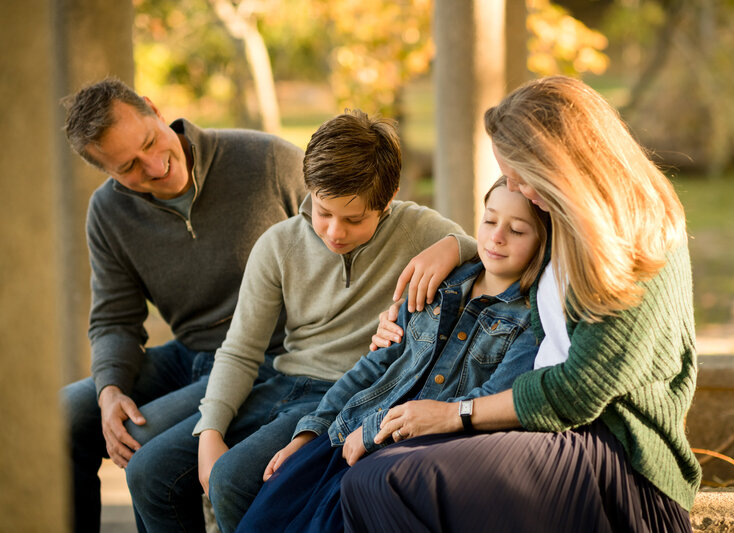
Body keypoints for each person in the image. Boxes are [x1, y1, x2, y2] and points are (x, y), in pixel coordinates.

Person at [343, 76, 702, 533]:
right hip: (547, 425)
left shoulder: (634, 237)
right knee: (373, 472)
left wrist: (455, 415)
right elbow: (510, 246)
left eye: (519, 173)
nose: (512, 184)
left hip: (613, 451)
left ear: (559, 164)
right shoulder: (567, 219)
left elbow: (579, 393)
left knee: (386, 479)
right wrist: (458, 247)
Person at [124, 109, 477, 533]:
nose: (333, 232)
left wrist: (455, 247)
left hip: (346, 393)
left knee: (233, 480)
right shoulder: (279, 244)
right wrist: (211, 429)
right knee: (148, 474)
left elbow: (495, 254)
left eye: (354, 218)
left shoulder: (418, 229)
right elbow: (239, 350)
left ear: (388, 199)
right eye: (323, 211)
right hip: (281, 383)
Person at [60, 77, 307, 533]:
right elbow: (115, 317)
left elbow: (351, 229)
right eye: (128, 167)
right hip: (191, 353)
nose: (154, 167)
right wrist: (110, 389)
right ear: (107, 173)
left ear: (153, 109)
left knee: (142, 445)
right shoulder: (109, 212)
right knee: (70, 411)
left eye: (151, 142)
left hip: (271, 357)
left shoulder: (268, 162)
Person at [235, 177, 547, 533]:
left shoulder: (532, 321)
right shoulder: (440, 280)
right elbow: (374, 365)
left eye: (518, 230)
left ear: (544, 243)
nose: (496, 237)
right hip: (345, 431)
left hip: (397, 458)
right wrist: (309, 434)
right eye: (490, 220)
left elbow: (485, 405)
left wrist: (371, 433)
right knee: (264, 514)